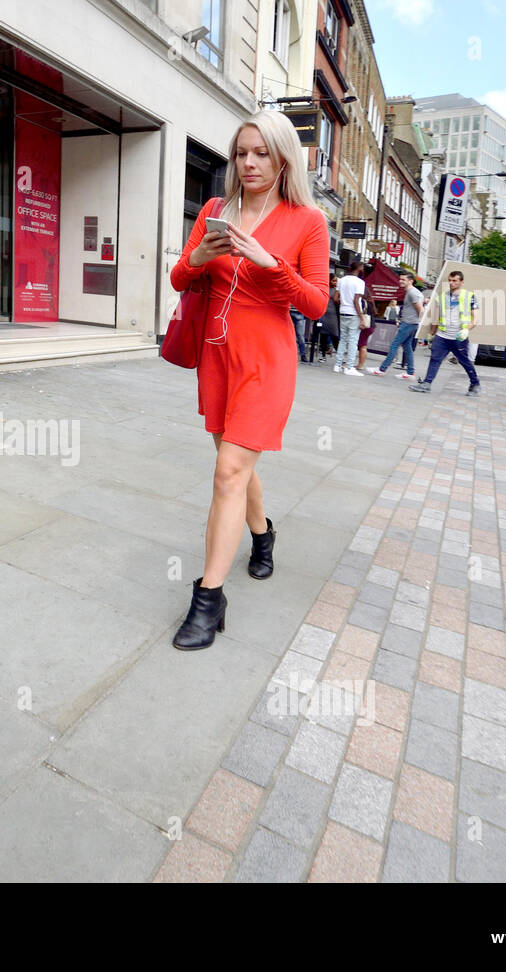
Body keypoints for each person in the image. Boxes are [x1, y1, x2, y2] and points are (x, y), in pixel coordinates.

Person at [169, 110, 329, 650]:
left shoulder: (307, 220)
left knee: (229, 469)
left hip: (268, 359)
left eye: (261, 152)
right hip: (218, 355)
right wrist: (198, 255)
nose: (249, 162)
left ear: (284, 157)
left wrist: (270, 263)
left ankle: (208, 599)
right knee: (233, 465)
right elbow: (179, 278)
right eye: (241, 153)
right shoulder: (217, 210)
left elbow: (315, 301)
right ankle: (262, 535)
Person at [410, 270, 480, 396]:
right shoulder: (441, 297)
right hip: (442, 336)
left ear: (461, 282)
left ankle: (475, 384)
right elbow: (436, 318)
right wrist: (431, 334)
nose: (452, 283)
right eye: (450, 280)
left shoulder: (470, 296)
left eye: (455, 281)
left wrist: (466, 330)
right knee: (435, 359)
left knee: (464, 361)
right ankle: (427, 384)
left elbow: (476, 318)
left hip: (459, 336)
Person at [371, 270, 424, 380]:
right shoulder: (415, 292)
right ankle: (410, 372)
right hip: (411, 323)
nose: (400, 281)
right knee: (407, 347)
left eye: (403, 279)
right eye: (400, 279)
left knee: (395, 344)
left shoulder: (412, 293)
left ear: (411, 281)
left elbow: (420, 309)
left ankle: (382, 369)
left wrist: (419, 322)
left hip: (409, 323)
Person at [334, 261, 368, 375]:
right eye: (362, 266)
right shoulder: (360, 282)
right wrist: (361, 317)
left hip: (343, 311)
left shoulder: (341, 280)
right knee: (353, 341)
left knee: (343, 339)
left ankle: (337, 365)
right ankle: (349, 367)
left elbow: (335, 298)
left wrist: (343, 303)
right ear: (359, 268)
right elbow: (356, 301)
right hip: (353, 313)